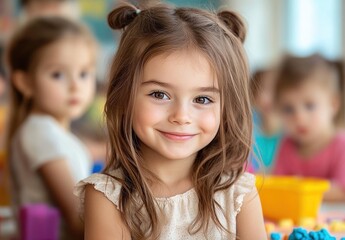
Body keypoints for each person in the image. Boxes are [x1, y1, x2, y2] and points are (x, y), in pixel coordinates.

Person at [74, 3, 266, 240]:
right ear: (124, 96)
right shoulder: (107, 196)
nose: (181, 116)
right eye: (159, 95)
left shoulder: (237, 193)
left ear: (226, 107)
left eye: (203, 99)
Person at [6, 17, 97, 239]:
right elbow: (77, 220)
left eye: (84, 74)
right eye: (58, 74)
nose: (76, 85)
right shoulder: (40, 131)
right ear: (25, 83)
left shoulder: (49, 131)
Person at [273, 54, 345, 202]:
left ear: (333, 104)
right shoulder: (286, 145)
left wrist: (298, 190)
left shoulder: (340, 146)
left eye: (309, 106)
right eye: (288, 109)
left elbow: (341, 191)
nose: (299, 117)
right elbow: (278, 188)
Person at [249, 69, 282, 173]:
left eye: (278, 89)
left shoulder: (293, 129)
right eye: (264, 89)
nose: (272, 97)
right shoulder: (247, 125)